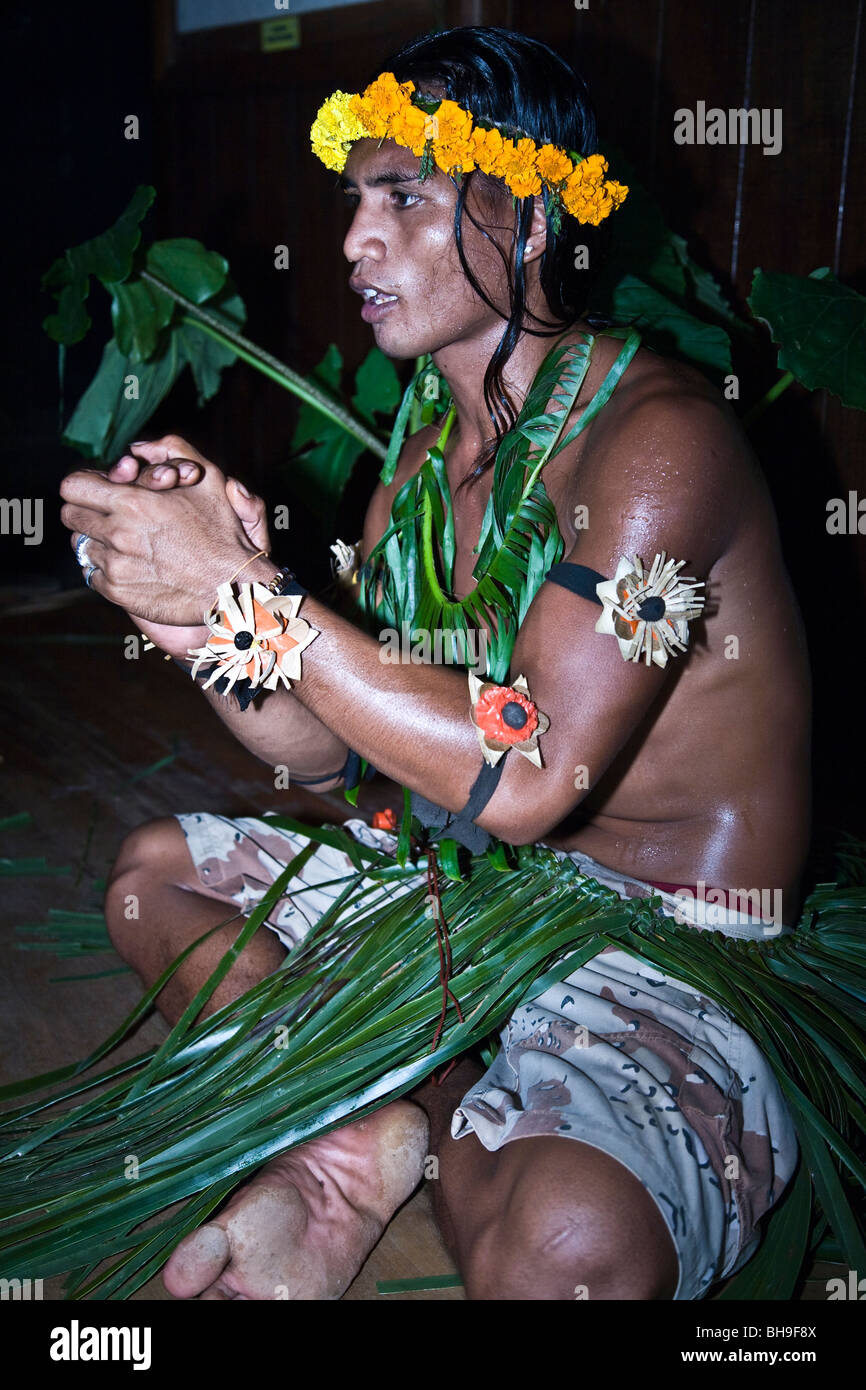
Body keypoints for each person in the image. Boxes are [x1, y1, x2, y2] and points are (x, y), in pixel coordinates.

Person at [59, 27, 808, 1301]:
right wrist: (212, 625)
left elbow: (522, 775)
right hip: (475, 890)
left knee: (566, 1255)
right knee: (155, 876)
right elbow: (340, 745)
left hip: (673, 938)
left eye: (402, 195)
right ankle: (370, 1136)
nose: (354, 239)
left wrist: (253, 593)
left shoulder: (657, 442)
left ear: (523, 216)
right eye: (354, 201)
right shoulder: (420, 455)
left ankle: (391, 1105)